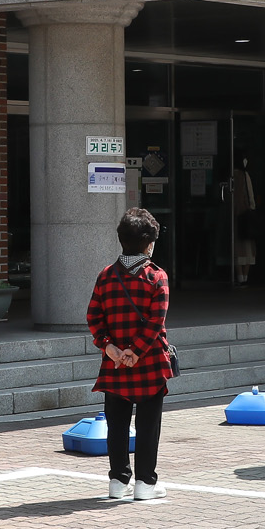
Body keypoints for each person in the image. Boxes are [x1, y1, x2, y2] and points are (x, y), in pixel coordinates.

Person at [87, 209, 175, 499]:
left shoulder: (106, 275)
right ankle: (145, 483)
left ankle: (118, 480)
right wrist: (135, 352)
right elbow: (155, 321)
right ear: (149, 244)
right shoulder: (156, 277)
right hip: (148, 363)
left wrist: (110, 347)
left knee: (117, 425)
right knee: (148, 425)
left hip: (113, 364)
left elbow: (93, 315)